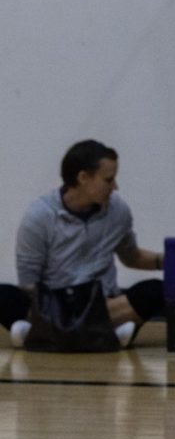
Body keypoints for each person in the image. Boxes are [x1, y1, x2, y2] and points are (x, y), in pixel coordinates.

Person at [1, 140, 164, 349]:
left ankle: (38, 334)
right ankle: (106, 333)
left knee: (154, 291)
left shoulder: (118, 211)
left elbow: (131, 256)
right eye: (109, 180)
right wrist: (57, 309)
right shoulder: (39, 216)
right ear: (83, 178)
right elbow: (28, 281)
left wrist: (168, 261)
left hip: (102, 304)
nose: (115, 187)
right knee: (4, 296)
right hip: (54, 306)